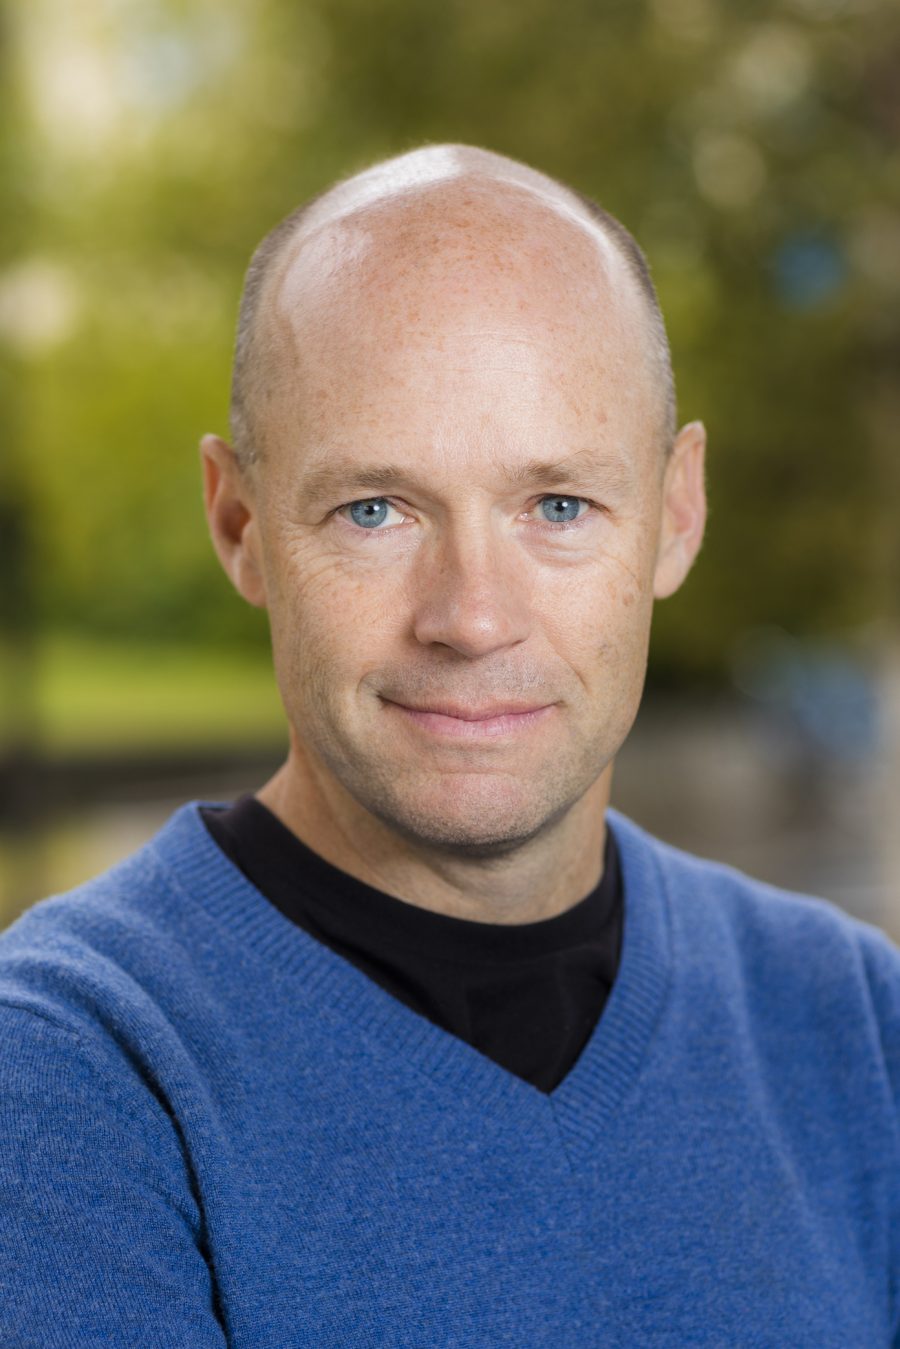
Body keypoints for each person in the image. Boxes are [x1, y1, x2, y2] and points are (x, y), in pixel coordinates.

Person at [0, 143, 897, 1347]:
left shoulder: (856, 1026)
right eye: (374, 509)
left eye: (559, 505)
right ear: (241, 522)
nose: (472, 616)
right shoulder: (69, 1075)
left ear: (677, 512)